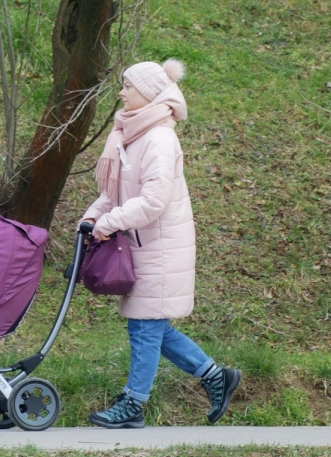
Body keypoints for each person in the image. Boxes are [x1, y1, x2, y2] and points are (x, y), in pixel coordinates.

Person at [81, 59, 241, 429]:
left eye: (128, 87)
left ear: (149, 93)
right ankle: (216, 376)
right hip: (142, 245)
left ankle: (133, 404)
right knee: (151, 327)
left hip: (161, 246)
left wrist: (108, 223)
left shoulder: (159, 139)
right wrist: (91, 218)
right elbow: (115, 192)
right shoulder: (132, 135)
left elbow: (153, 201)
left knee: (145, 328)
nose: (121, 93)